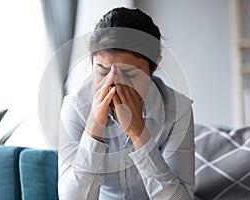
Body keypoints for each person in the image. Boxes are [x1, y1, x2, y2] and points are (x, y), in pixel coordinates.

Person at [58, 7, 194, 200]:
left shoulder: (178, 111)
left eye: (129, 73)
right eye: (103, 72)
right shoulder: (75, 108)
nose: (114, 83)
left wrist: (139, 135)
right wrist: (93, 130)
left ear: (153, 67)